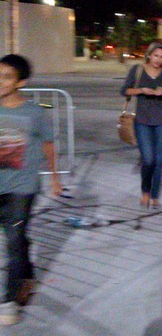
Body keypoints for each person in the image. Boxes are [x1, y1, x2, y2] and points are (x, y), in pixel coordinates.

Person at [0, 54, 63, 325]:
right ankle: (27, 276)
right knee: (16, 237)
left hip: (23, 186)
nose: (0, 81)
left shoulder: (35, 112)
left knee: (13, 240)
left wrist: (55, 177)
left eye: (7, 76)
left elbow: (48, 145)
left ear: (21, 81)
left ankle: (9, 300)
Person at [120, 43, 162, 209]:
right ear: (149, 55)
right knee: (148, 159)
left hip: (161, 122)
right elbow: (124, 90)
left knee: (158, 161)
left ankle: (154, 195)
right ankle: (145, 190)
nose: (158, 60)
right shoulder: (137, 70)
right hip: (142, 122)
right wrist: (141, 90)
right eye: (156, 55)